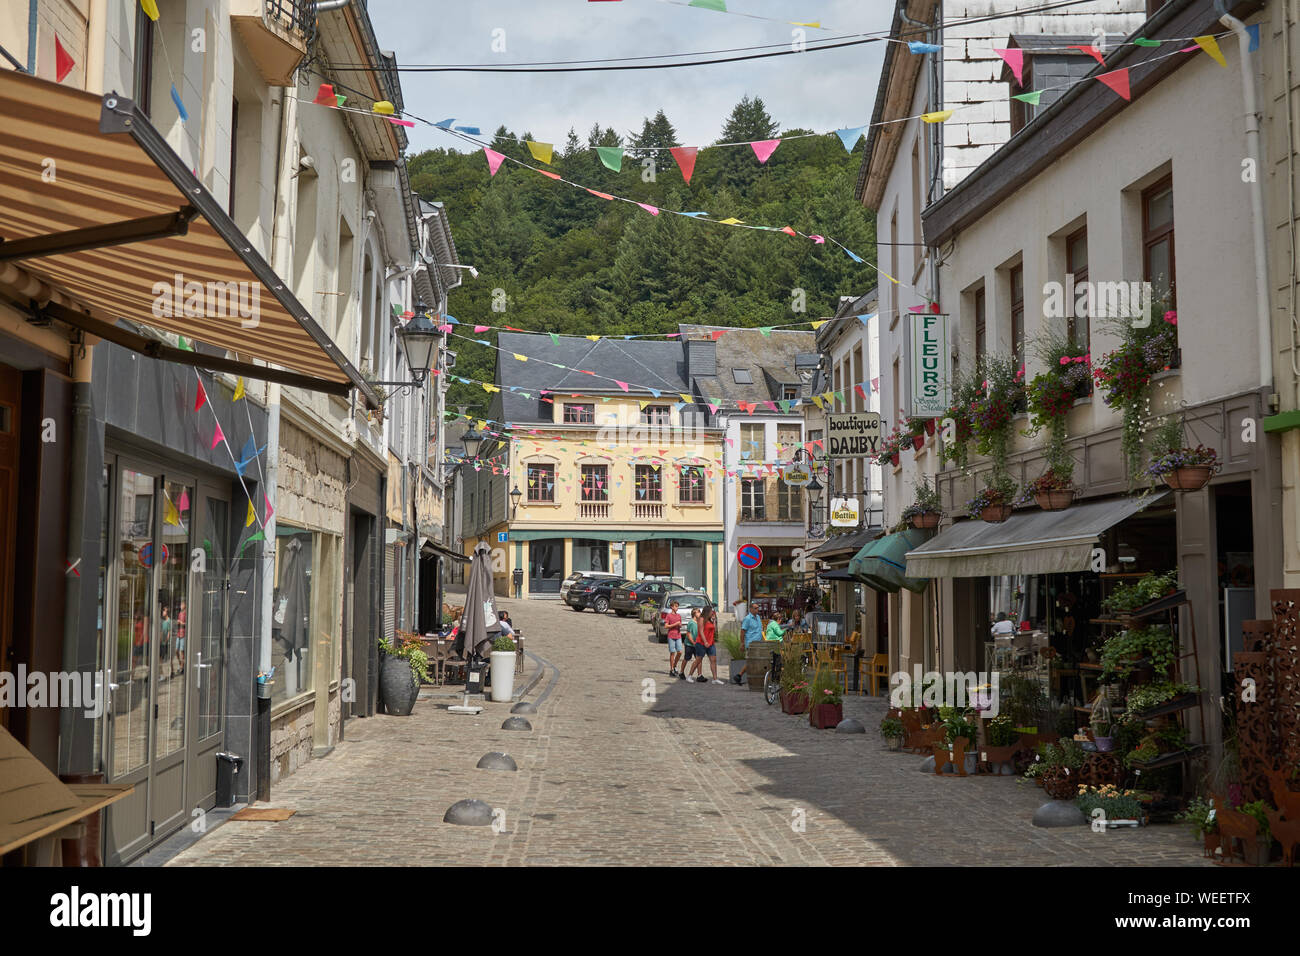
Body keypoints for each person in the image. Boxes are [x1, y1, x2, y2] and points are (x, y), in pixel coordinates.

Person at [733, 606, 763, 685]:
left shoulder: (758, 618)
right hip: (751, 644)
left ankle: (740, 676)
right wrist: (742, 643)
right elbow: (742, 632)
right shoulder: (747, 619)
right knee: (751, 661)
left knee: (755, 661)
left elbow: (760, 631)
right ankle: (739, 675)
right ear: (751, 609)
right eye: (755, 608)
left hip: (758, 644)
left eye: (757, 608)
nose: (757, 609)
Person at [700, 608, 722, 683]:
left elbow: (715, 630)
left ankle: (715, 679)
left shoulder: (710, 620)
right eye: (711, 612)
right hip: (703, 643)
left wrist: (714, 621)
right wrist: (705, 641)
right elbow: (701, 631)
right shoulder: (702, 619)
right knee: (698, 660)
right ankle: (689, 675)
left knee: (713, 660)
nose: (712, 614)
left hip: (711, 643)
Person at [681, 608, 702, 681]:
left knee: (699, 659)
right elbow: (688, 634)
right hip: (689, 644)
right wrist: (693, 642)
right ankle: (681, 672)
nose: (700, 613)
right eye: (698, 612)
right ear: (694, 614)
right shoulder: (691, 622)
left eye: (700, 612)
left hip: (697, 644)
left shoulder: (699, 622)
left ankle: (699, 675)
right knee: (687, 658)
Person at [665, 601, 685, 677]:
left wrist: (679, 625)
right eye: (676, 606)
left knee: (680, 652)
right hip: (671, 636)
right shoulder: (669, 616)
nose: (677, 608)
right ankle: (671, 669)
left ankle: (675, 665)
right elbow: (666, 626)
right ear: (672, 607)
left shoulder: (679, 616)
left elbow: (680, 624)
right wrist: (674, 624)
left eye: (677, 606)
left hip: (678, 635)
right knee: (672, 652)